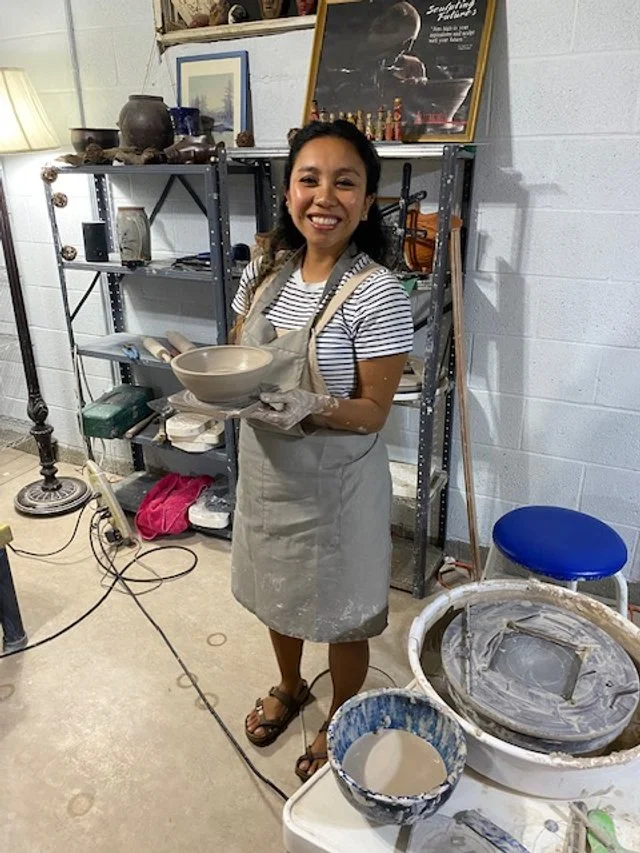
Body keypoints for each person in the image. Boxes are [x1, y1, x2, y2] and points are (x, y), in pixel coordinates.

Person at [230, 120, 414, 782]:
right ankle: (288, 682)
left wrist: (311, 405)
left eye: (346, 182)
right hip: (269, 475)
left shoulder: (377, 293)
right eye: (309, 179)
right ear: (288, 192)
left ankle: (342, 711)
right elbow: (236, 353)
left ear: (367, 202)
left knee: (341, 614)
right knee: (278, 592)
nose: (324, 196)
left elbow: (370, 413)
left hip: (335, 489)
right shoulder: (265, 270)